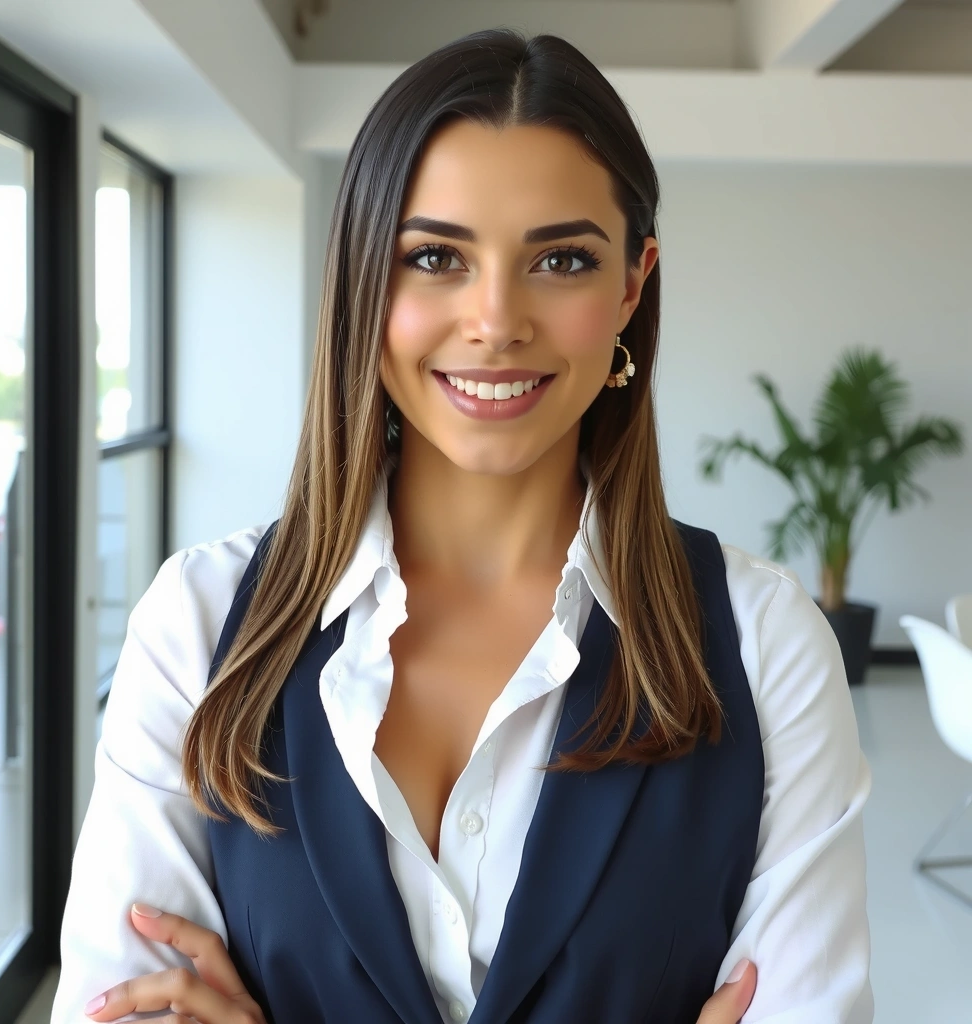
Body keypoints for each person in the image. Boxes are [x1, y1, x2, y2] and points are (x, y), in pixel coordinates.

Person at [52, 28, 873, 1024]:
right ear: (364, 278)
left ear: (630, 284)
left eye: (561, 259)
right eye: (435, 257)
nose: (495, 319)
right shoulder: (197, 625)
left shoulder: (766, 646)